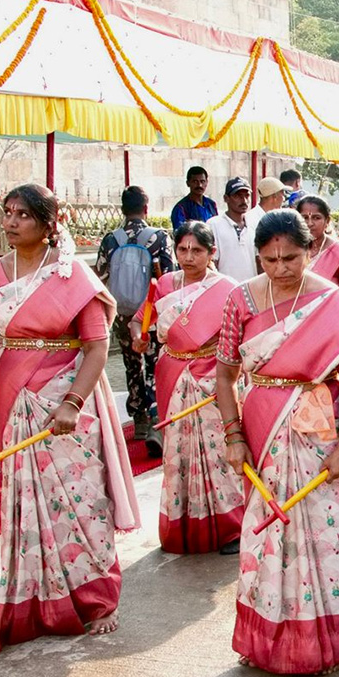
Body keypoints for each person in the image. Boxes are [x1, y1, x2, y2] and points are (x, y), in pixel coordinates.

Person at [215, 210, 339, 675]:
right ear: (258, 256)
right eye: (270, 259)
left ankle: (329, 641)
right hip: (262, 428)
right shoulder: (240, 300)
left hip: (320, 433)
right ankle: (274, 642)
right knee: (270, 535)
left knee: (330, 530)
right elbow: (224, 374)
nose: (281, 268)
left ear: (309, 252)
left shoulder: (331, 301)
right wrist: (233, 434)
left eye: (292, 258)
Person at [0, 184, 139, 652]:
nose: (11, 222)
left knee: (80, 497)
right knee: (26, 500)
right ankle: (35, 601)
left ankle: (96, 599)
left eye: (23, 215)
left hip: (66, 400)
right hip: (12, 395)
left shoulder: (72, 276)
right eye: (7, 213)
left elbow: (97, 347)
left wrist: (72, 403)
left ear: (48, 222)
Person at [132, 221, 243, 554]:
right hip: (171, 373)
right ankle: (184, 525)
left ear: (212, 253)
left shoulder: (228, 288)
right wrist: (140, 335)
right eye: (183, 249)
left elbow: (241, 335)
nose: (189, 256)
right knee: (177, 451)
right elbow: (141, 318)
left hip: (212, 374)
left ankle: (231, 528)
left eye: (197, 250)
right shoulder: (164, 283)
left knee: (216, 449)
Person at [95, 185, 174, 448]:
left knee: (131, 366)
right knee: (154, 365)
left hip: (122, 315)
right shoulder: (159, 237)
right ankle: (155, 417)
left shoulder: (110, 239)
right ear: (146, 207)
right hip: (150, 313)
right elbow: (169, 277)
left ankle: (139, 418)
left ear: (122, 208)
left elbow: (100, 277)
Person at [210, 177, 262, 283]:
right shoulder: (213, 225)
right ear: (226, 198)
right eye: (237, 196)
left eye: (246, 195)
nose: (244, 201)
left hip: (251, 290)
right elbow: (212, 263)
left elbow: (260, 260)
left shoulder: (256, 224)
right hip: (224, 291)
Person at [170, 166, 217, 230]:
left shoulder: (212, 204)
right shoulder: (181, 208)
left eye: (202, 181)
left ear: (206, 183)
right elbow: (179, 234)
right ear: (188, 183)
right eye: (195, 181)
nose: (199, 185)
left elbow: (217, 227)